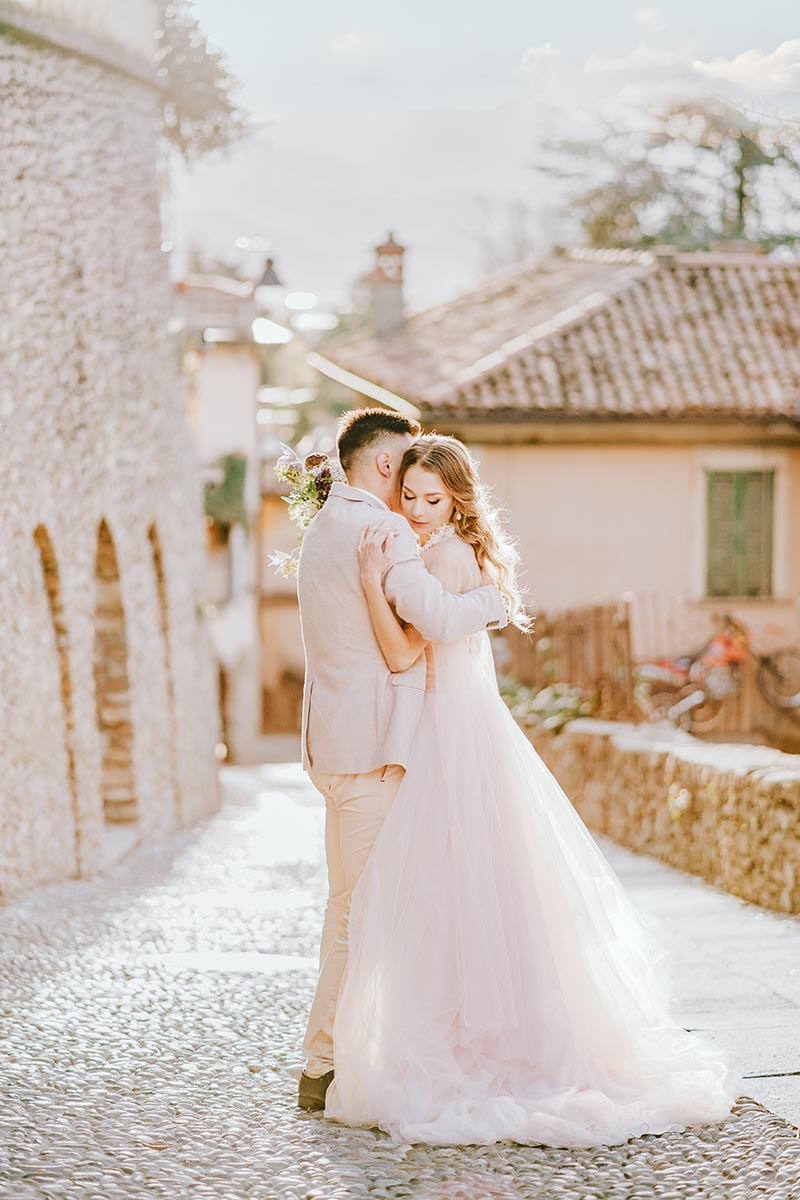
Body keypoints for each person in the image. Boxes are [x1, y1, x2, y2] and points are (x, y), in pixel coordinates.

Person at [322, 433, 741, 1148]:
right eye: (411, 498)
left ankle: (488, 1045)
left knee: (461, 888)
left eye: (433, 499)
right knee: (458, 893)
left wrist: (441, 590)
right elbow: (412, 643)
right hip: (442, 727)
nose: (419, 511)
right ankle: (466, 1030)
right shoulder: (424, 555)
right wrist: (398, 584)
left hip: (456, 732)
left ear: (458, 500)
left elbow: (445, 623)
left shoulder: (445, 556)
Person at [295, 410, 508, 1113]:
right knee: (361, 919)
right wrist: (494, 599)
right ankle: (322, 1064)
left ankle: (353, 1050)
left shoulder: (323, 524)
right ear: (388, 468)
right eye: (407, 480)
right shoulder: (381, 531)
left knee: (347, 913)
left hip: (331, 746)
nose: (413, 504)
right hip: (373, 756)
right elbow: (438, 625)